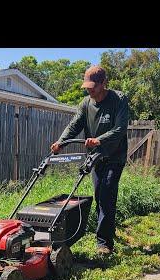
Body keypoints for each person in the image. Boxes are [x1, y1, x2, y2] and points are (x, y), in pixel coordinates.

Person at [50, 65, 129, 256]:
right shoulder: (86, 103)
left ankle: (104, 243)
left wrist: (99, 139)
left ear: (103, 83)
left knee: (107, 197)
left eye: (93, 86)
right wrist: (61, 142)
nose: (89, 90)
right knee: (99, 196)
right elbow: (75, 124)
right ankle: (105, 232)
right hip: (95, 157)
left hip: (114, 157)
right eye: (87, 86)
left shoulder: (118, 100)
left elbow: (120, 129)